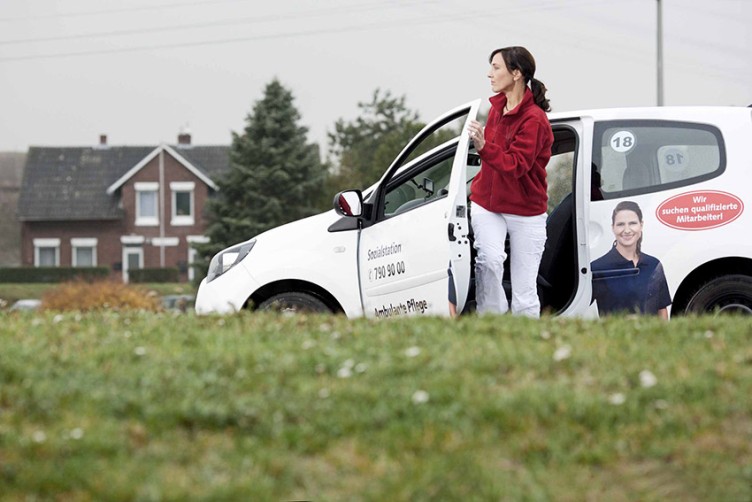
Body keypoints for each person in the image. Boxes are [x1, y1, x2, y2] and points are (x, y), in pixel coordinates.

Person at [467, 46, 554, 317]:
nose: (489, 74)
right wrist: (485, 146)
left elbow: (516, 165)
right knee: (490, 262)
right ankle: (492, 322)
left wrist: (483, 146)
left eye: (496, 67)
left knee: (525, 290)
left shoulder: (535, 120)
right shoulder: (496, 109)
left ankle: (524, 338)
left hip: (526, 212)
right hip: (487, 205)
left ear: (516, 73)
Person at [591, 200, 671, 319]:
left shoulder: (654, 265)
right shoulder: (596, 268)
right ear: (613, 228)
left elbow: (661, 310)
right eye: (620, 224)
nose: (627, 230)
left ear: (641, 225)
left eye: (632, 223)